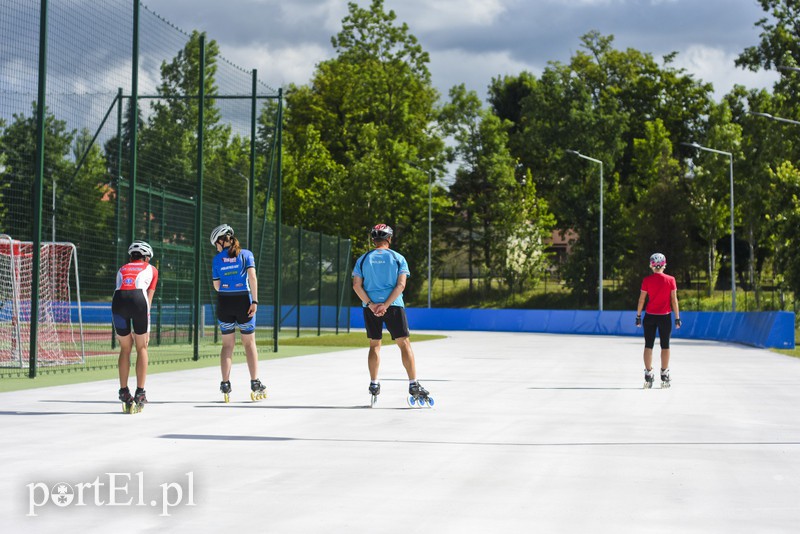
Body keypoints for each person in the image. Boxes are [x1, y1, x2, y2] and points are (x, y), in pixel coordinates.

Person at [352, 223, 432, 407]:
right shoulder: (398, 258)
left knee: (375, 345)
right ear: (389, 238)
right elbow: (401, 285)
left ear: (373, 239)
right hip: (394, 305)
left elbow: (357, 286)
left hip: (369, 307)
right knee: (404, 344)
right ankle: (413, 384)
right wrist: (386, 305)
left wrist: (372, 305)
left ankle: (374, 383)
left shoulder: (363, 259)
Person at [210, 224, 266, 402]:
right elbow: (252, 278)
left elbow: (217, 286)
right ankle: (255, 382)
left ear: (221, 240)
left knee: (227, 345)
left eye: (216, 244)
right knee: (249, 343)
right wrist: (255, 301)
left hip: (225, 302)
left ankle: (225, 384)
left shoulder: (217, 259)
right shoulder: (246, 254)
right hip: (244, 301)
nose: (216, 248)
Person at [112, 240, 158, 412]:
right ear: (146, 257)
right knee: (142, 347)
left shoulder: (121, 269)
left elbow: (120, 288)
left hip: (118, 302)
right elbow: (149, 298)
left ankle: (124, 391)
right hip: (139, 300)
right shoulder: (152, 269)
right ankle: (140, 392)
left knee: (125, 348)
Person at [636, 252, 681, 388]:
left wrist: (638, 316)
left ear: (651, 265)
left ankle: (648, 373)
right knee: (665, 345)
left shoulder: (647, 280)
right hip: (665, 317)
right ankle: (664, 373)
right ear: (664, 265)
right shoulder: (671, 280)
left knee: (648, 345)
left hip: (649, 316)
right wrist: (677, 318)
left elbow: (641, 300)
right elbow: (674, 300)